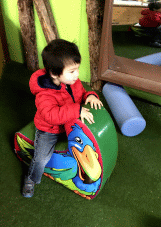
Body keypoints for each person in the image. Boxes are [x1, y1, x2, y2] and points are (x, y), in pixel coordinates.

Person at [22, 39, 103, 198]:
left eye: (77, 69)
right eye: (72, 71)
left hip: (70, 124)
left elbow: (81, 94)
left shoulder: (72, 81)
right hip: (49, 130)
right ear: (54, 74)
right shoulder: (44, 94)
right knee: (41, 159)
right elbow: (51, 116)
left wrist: (91, 95)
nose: (77, 75)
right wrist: (77, 110)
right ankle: (30, 179)